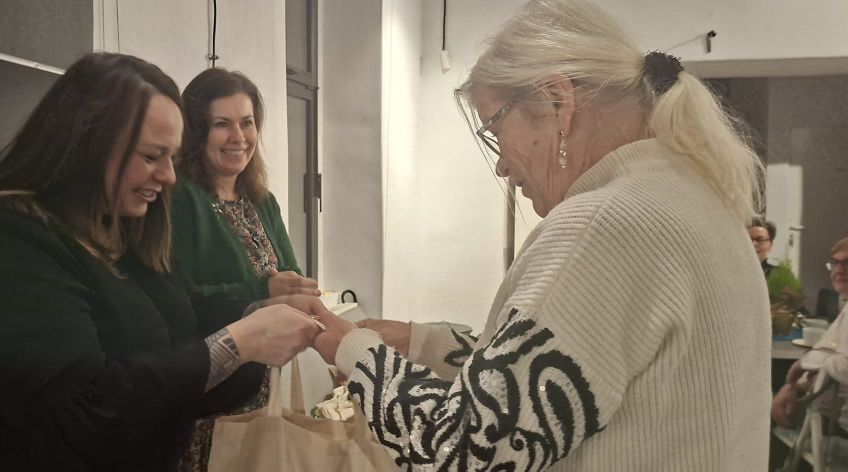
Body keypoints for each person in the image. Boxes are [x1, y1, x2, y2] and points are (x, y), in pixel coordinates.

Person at [312, 0, 770, 469]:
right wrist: (425, 346)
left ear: (557, 102)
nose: (501, 165)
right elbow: (575, 377)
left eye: (495, 129)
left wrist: (355, 352)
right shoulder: (694, 198)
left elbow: (461, 453)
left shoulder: (605, 225)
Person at [0, 53, 324, 472]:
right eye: (151, 156)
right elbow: (85, 414)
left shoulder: (119, 235)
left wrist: (255, 311)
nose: (169, 176)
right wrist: (238, 342)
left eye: (171, 157)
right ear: (86, 147)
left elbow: (177, 326)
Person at [169, 67, 321, 470]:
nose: (239, 137)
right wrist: (260, 293)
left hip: (263, 393)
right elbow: (176, 302)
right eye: (222, 124)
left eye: (247, 123)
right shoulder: (180, 198)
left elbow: (288, 276)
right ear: (196, 131)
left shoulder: (262, 200)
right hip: (210, 399)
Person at [773, 236, 848, 429]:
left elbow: (843, 365)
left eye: (847, 262)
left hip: (835, 425)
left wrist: (801, 365)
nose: (840, 269)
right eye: (835, 263)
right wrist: (795, 385)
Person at [748, 217, 802, 304]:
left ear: (770, 245)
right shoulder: (733, 274)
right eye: (748, 239)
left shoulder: (783, 275)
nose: (753, 244)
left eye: (760, 240)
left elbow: (796, 304)